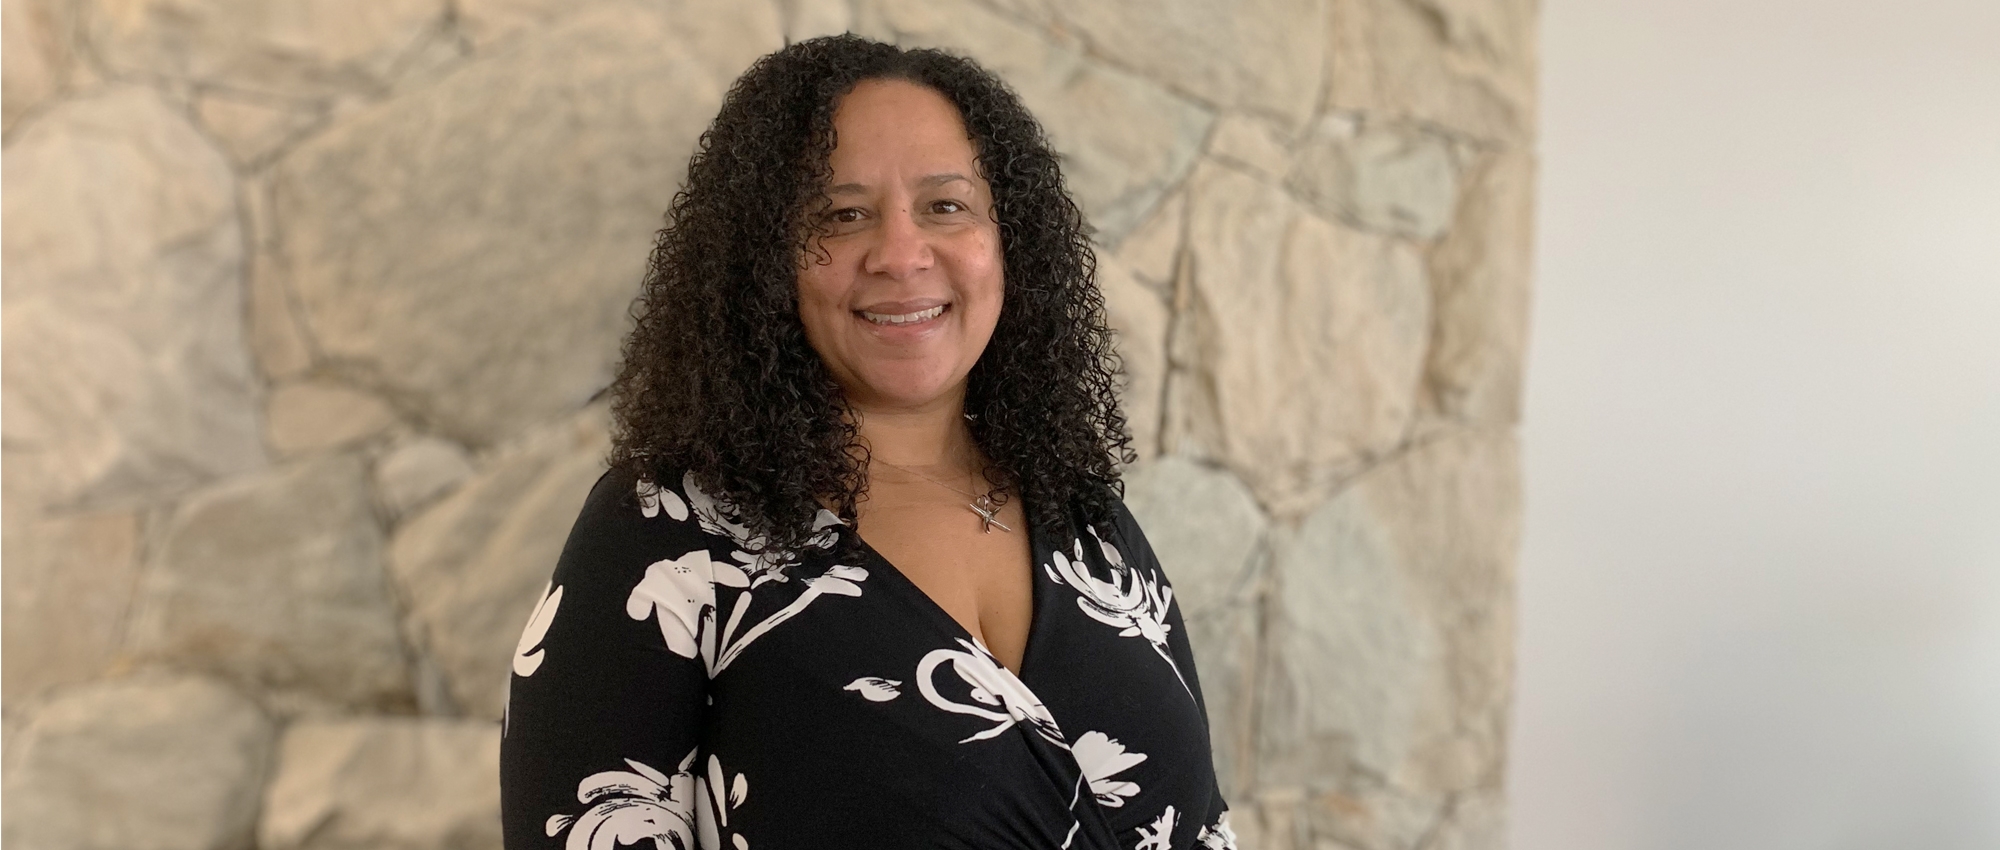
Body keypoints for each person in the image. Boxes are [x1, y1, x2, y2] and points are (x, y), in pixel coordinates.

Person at [500, 34, 1236, 850]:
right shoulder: (669, 533)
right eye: (841, 215)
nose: (900, 254)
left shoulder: (1091, 529)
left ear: (1010, 240)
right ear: (765, 261)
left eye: (945, 206)